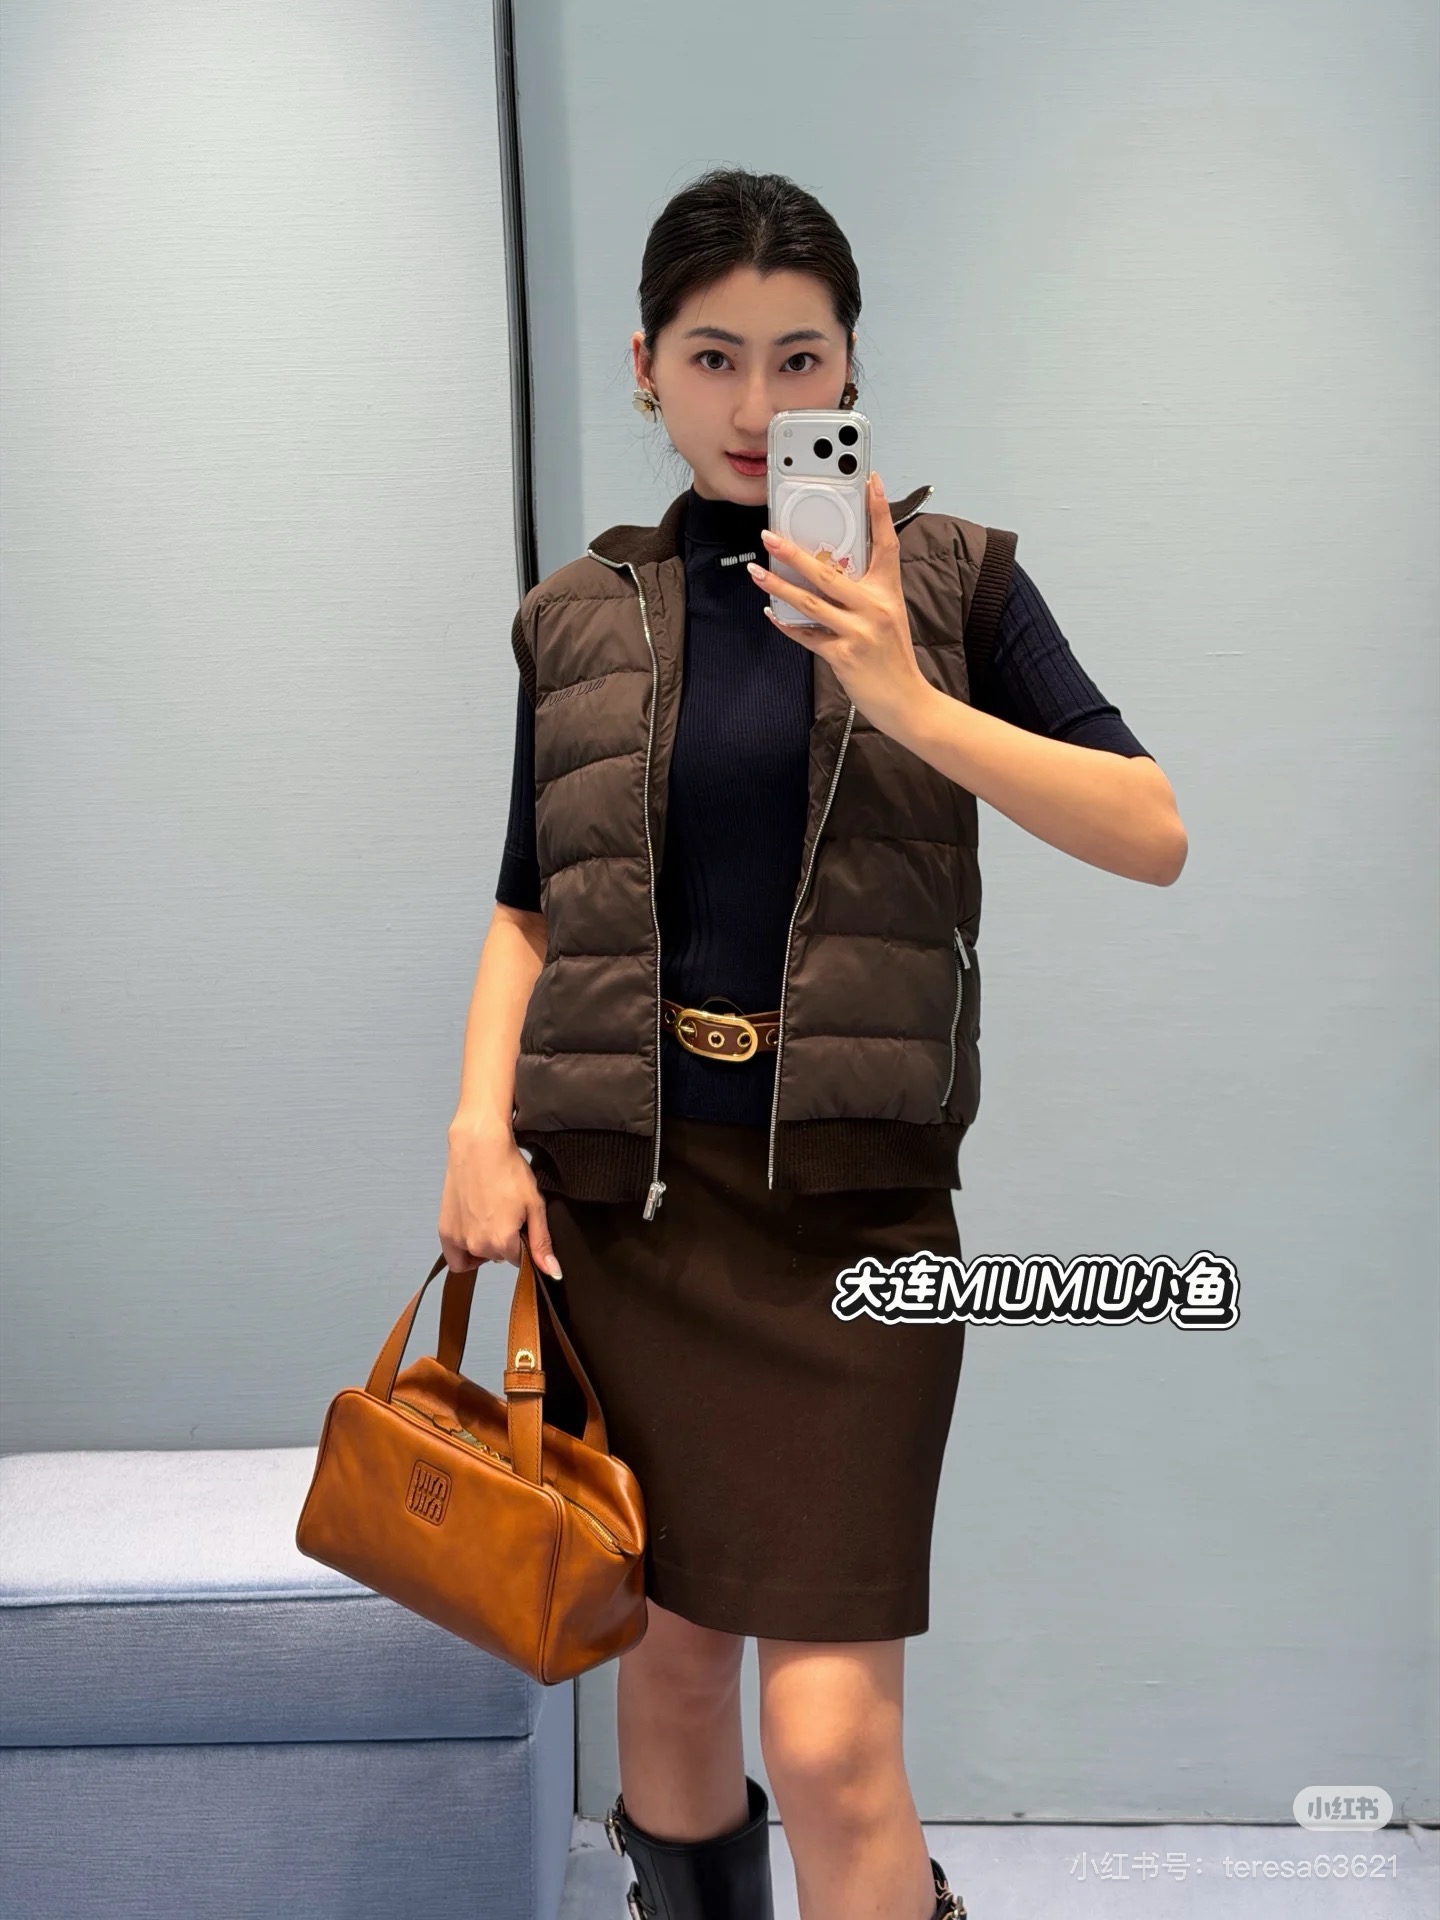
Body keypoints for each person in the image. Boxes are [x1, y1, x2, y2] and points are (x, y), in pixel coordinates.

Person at [439, 167, 1187, 1920]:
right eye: (714, 357)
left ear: (851, 368)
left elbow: (1151, 827)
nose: (758, 405)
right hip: (625, 1217)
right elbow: (529, 904)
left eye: (800, 359)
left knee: (837, 1741)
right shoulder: (579, 613)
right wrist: (478, 1126)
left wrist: (908, 696)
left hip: (857, 1226)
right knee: (672, 1675)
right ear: (645, 366)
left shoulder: (956, 582)